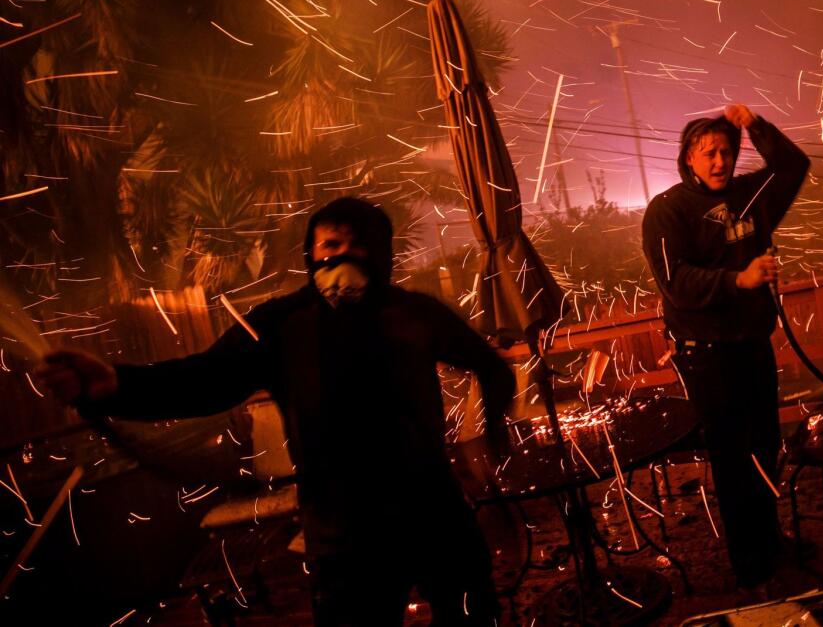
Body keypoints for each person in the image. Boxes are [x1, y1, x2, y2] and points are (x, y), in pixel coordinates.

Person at [36, 197, 515, 626]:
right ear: (311, 253)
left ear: (384, 254)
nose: (344, 256)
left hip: (431, 510)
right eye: (331, 244)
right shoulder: (282, 325)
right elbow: (203, 381)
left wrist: (489, 438)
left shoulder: (413, 313)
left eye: (360, 244)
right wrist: (117, 385)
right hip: (343, 532)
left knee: (474, 615)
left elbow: (492, 368)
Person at [642, 104, 810, 588]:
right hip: (706, 355)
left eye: (727, 152)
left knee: (764, 448)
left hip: (752, 346)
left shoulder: (751, 195)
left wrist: (754, 126)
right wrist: (741, 278)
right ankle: (749, 562)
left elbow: (794, 166)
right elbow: (677, 283)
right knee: (733, 457)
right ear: (688, 159)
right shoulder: (668, 211)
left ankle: (770, 540)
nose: (720, 161)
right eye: (709, 153)